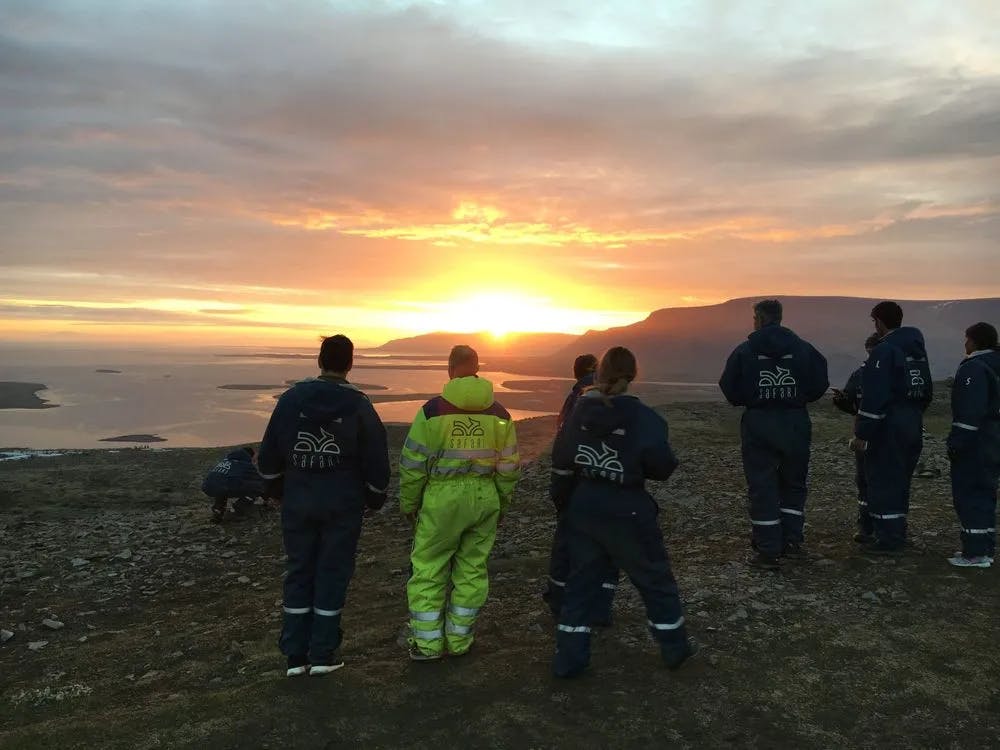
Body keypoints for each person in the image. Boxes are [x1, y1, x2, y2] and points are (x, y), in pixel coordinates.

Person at [550, 346, 695, 678]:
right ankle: (674, 646)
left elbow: (562, 461)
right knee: (654, 580)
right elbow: (662, 466)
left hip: (584, 507)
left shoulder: (579, 413)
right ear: (632, 376)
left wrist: (565, 506)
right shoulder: (645, 418)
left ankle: (569, 660)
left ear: (599, 374)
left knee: (580, 585)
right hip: (628, 510)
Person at [257, 334, 390, 677]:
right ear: (349, 363)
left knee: (300, 570)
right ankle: (322, 655)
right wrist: (374, 497)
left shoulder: (290, 400)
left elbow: (270, 452)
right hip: (342, 505)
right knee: (331, 573)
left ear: (319, 360)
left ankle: (294, 657)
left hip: (298, 502)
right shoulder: (359, 405)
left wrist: (274, 488)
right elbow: (376, 459)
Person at [399, 345, 520, 661]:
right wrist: (502, 504)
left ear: (450, 369)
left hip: (441, 499)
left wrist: (409, 504)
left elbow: (413, 464)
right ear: (477, 368)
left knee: (429, 568)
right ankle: (459, 641)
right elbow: (509, 466)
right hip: (484, 498)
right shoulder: (500, 414)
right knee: (472, 570)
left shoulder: (432, 412)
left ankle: (427, 644)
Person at [719, 300, 829, 569]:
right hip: (795, 422)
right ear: (780, 318)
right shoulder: (804, 349)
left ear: (758, 318)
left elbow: (729, 386)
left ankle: (768, 549)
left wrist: (753, 400)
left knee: (762, 484)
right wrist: (796, 398)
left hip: (759, 423)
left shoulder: (745, 351)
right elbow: (819, 383)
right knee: (793, 482)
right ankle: (792, 541)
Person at [851, 301, 932, 556]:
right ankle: (897, 530)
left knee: (883, 478)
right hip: (912, 420)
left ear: (879, 322)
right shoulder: (917, 350)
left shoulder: (884, 351)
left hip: (889, 424)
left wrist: (863, 432)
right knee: (901, 478)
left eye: (874, 321)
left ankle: (887, 540)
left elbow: (875, 396)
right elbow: (926, 390)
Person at [545, 354, 618, 623]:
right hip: (610, 489)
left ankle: (560, 602)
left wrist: (559, 492)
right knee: (607, 548)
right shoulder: (617, 401)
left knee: (566, 546)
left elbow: (563, 452)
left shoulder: (576, 402)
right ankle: (600, 607)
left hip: (577, 488)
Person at [946, 322, 1000, 568]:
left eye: (967, 339)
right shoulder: (995, 364)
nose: (964, 344)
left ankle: (975, 553)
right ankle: (985, 546)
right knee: (986, 491)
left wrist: (957, 443)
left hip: (978, 440)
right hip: (994, 436)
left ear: (975, 341)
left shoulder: (974, 369)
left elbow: (969, 412)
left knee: (971, 491)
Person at [832, 334, 881, 543]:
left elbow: (852, 404)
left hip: (866, 434)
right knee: (870, 480)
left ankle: (869, 528)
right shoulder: (862, 374)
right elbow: (851, 403)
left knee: (866, 480)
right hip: (881, 434)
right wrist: (841, 401)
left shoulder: (860, 374)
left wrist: (844, 403)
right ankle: (880, 527)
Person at [201, 446, 265, 523]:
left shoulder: (226, 461)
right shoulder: (245, 464)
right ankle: (236, 510)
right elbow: (259, 480)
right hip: (223, 486)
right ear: (250, 456)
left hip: (207, 486)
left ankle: (218, 511)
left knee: (222, 485)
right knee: (257, 487)